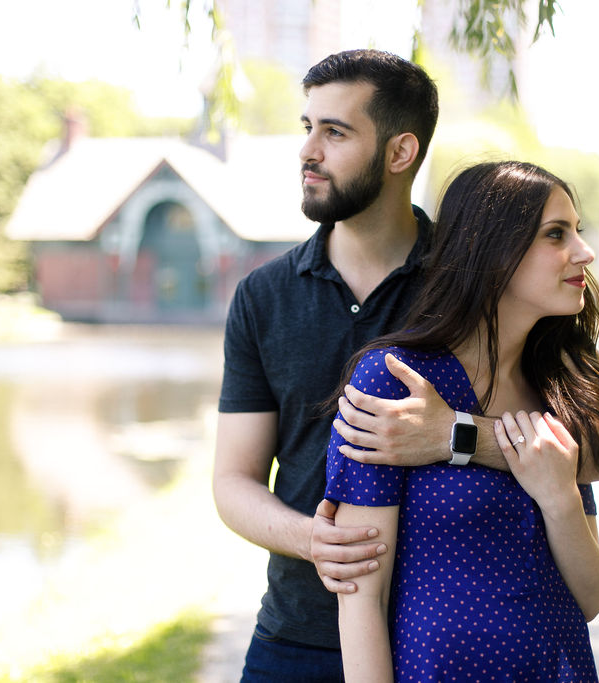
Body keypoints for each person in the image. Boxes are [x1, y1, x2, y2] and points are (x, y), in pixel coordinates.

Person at [324, 161, 599, 681]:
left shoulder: (558, 387)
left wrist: (557, 492)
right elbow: (362, 596)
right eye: (556, 235)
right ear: (492, 251)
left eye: (577, 233)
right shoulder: (395, 383)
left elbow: (590, 597)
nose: (584, 253)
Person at [213, 49, 443, 681]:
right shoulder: (263, 295)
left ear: (400, 153)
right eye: (307, 126)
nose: (307, 150)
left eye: (334, 132)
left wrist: (456, 438)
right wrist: (308, 539)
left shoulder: (471, 285)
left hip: (444, 635)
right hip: (295, 638)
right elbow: (233, 481)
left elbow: (594, 446)